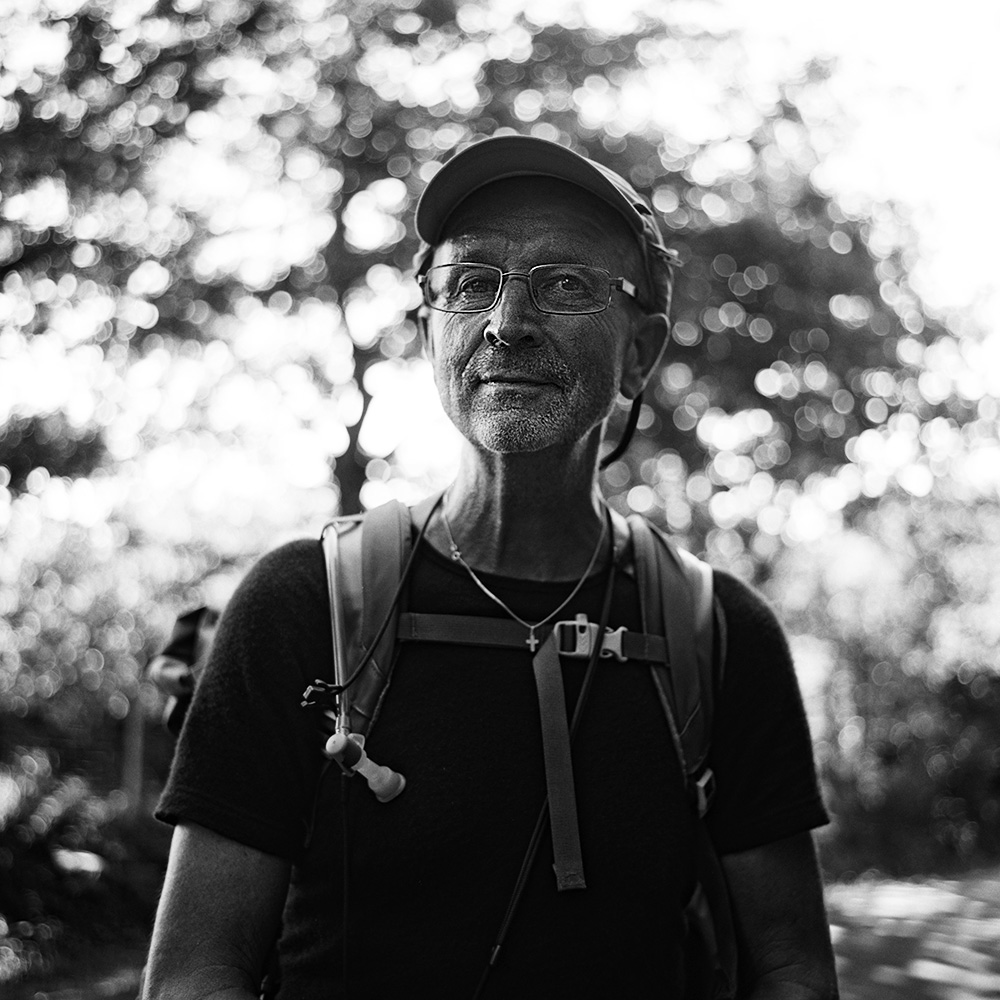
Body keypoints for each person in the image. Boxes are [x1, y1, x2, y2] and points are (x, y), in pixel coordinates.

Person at [141, 134, 839, 1000]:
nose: (507, 325)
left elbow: (791, 967)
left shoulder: (717, 630)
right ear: (430, 327)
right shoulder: (302, 603)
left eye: (566, 286)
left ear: (640, 351)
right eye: (471, 284)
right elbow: (194, 974)